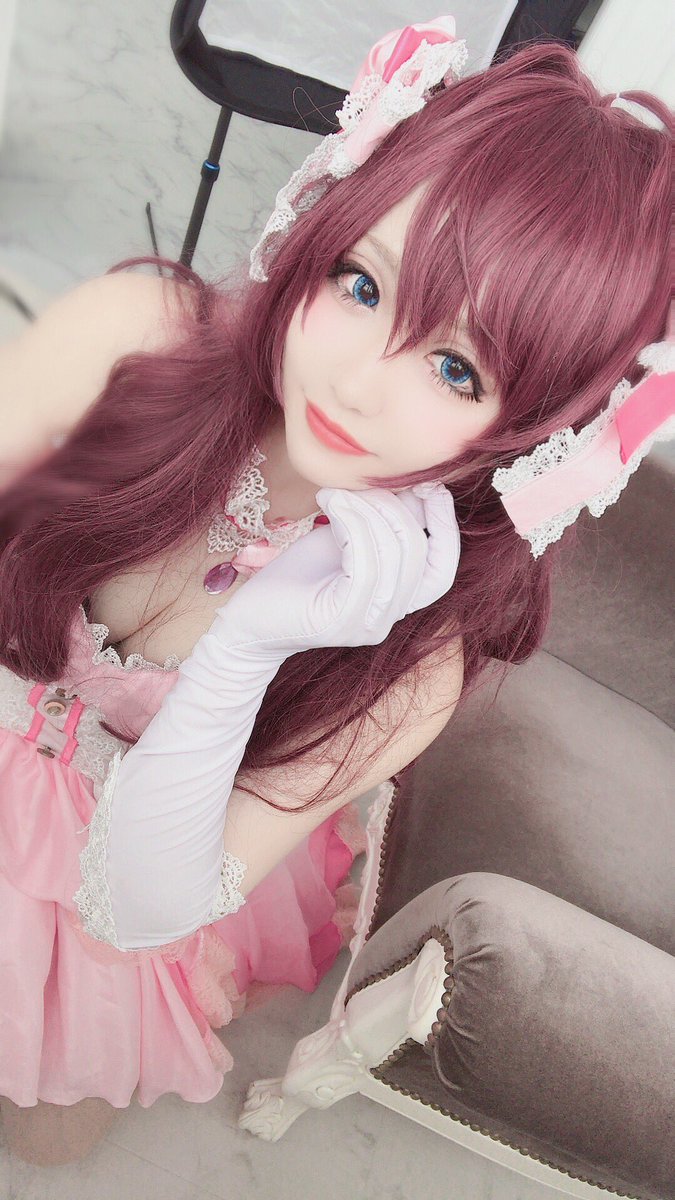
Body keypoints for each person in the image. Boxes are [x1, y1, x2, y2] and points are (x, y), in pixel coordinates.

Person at [0, 18, 672, 1166]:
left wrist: (253, 641)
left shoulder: (410, 668)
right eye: (361, 283)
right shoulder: (132, 339)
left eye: (455, 368)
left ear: (532, 435)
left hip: (117, 873)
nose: (357, 383)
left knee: (50, 1137)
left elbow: (135, 908)